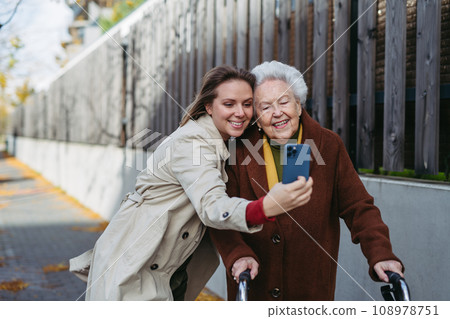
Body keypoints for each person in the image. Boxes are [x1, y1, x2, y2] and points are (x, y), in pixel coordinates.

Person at [69, 65, 313, 301]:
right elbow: (211, 205)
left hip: (163, 270)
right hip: (134, 269)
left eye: (247, 104)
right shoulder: (193, 144)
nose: (240, 112)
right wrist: (264, 208)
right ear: (208, 106)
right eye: (229, 104)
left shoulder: (220, 141)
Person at [209, 61, 404, 300]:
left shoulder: (328, 145)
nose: (277, 112)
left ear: (299, 106)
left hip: (311, 289)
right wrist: (237, 254)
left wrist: (381, 253)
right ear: (256, 118)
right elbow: (222, 215)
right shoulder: (238, 150)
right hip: (255, 286)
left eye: (284, 101)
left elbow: (358, 207)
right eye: (266, 107)